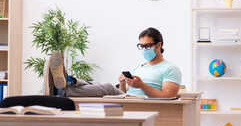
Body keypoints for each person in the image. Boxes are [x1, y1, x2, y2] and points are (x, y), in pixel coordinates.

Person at [43, 27, 181, 98]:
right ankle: (67, 83)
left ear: (158, 45)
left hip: (146, 105)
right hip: (129, 100)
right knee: (97, 85)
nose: (144, 49)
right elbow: (123, 93)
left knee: (108, 87)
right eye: (141, 46)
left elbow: (169, 96)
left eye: (147, 46)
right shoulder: (138, 67)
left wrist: (142, 86)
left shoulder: (170, 68)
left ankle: (64, 87)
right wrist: (122, 83)